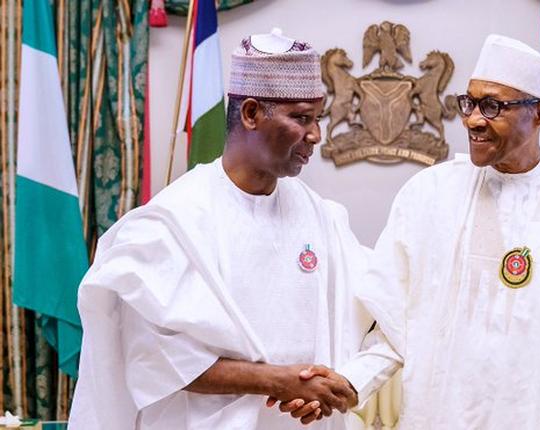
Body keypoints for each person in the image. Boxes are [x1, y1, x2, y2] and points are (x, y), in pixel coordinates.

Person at [297, 34, 540, 429]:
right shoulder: (428, 196)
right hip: (443, 415)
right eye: (470, 103)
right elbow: (392, 326)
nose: (472, 119)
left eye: (492, 106)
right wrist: (349, 384)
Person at [68, 31, 370, 430]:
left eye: (317, 119)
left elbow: (370, 311)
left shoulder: (321, 216)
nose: (315, 135)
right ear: (250, 113)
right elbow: (151, 359)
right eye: (300, 118)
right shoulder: (173, 221)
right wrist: (275, 382)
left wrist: (327, 388)